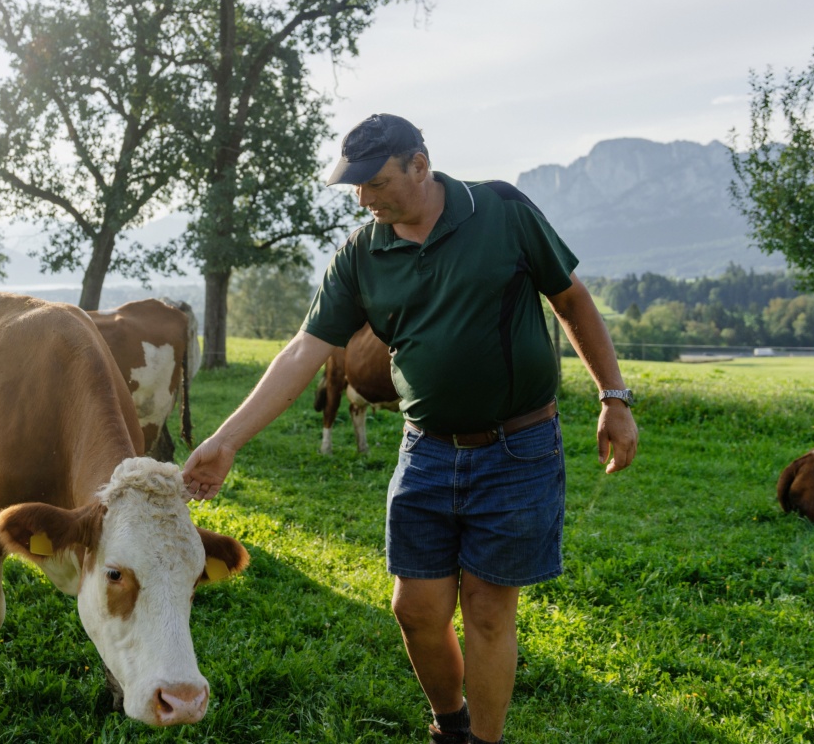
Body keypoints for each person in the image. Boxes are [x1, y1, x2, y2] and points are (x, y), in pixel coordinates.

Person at [182, 113, 638, 744]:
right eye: (354, 186)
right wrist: (226, 440)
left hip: (518, 445)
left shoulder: (502, 210)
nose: (364, 199)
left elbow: (572, 301)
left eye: (376, 182)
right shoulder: (363, 253)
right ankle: (449, 724)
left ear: (420, 165)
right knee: (415, 610)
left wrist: (613, 398)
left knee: (485, 609)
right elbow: (301, 353)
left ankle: (482, 740)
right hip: (426, 449)